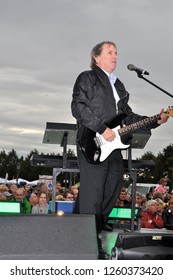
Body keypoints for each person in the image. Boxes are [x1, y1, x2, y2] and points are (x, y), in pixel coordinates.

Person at [71, 41, 169, 259]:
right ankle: (87, 241)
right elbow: (78, 107)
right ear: (96, 57)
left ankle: (78, 229)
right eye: (109, 52)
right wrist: (100, 127)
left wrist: (155, 121)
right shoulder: (87, 78)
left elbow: (128, 116)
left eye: (116, 52)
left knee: (112, 189)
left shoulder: (119, 85)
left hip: (113, 145)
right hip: (91, 141)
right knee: (93, 193)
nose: (115, 56)